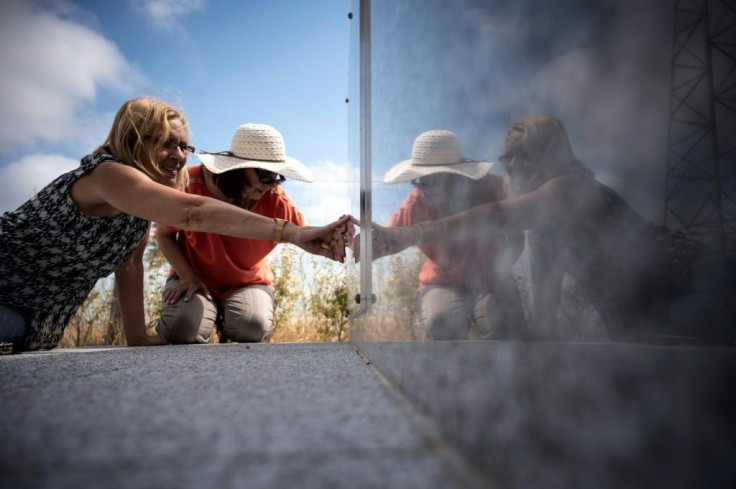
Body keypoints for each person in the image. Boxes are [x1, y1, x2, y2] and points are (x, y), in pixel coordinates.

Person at [0, 97, 350, 353]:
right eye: (168, 144)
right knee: (184, 327)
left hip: (39, 312)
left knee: (250, 324)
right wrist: (291, 233)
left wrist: (136, 337)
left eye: (185, 146)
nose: (181, 156)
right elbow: (192, 213)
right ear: (135, 138)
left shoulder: (136, 210)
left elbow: (130, 262)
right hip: (9, 287)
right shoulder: (109, 175)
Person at [362, 114, 735, 345]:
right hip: (637, 305)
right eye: (509, 157)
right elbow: (546, 283)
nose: (512, 166)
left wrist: (414, 235)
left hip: (683, 276)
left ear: (547, 156)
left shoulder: (566, 188)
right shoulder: (539, 221)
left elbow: (500, 216)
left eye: (521, 156)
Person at [156, 123, 316, 344]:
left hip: (247, 282)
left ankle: (228, 326)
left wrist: (339, 235)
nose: (271, 184)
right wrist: (187, 276)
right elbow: (163, 234)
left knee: (252, 327)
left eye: (277, 176)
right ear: (238, 168)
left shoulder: (276, 200)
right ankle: (203, 314)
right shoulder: (189, 184)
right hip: (193, 276)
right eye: (263, 175)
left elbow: (305, 234)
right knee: (181, 328)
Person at [381, 130, 526, 340]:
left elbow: (517, 237)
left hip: (494, 276)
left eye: (433, 179)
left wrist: (497, 273)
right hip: (442, 281)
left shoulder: (495, 188)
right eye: (419, 180)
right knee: (441, 319)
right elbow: (387, 238)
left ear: (455, 173)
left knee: (501, 319)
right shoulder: (415, 205)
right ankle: (449, 369)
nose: (424, 187)